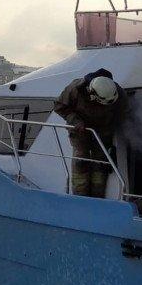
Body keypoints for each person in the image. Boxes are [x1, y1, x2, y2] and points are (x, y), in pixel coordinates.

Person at [54, 69, 127, 197]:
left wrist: (112, 129)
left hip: (104, 131)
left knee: (100, 164)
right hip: (80, 129)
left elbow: (123, 114)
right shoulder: (75, 89)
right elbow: (60, 106)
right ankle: (80, 196)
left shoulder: (117, 93)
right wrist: (75, 121)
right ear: (91, 94)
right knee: (80, 160)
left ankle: (97, 197)